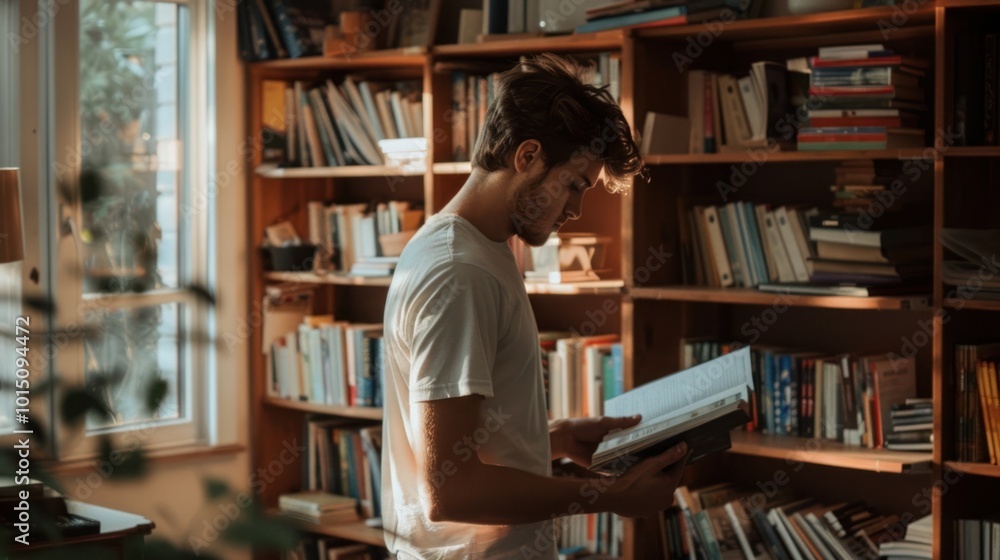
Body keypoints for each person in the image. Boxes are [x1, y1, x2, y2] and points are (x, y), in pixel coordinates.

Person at [381, 53, 688, 560]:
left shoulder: (475, 248)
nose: (575, 209)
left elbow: (460, 443)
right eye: (573, 184)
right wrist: (609, 496)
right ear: (526, 156)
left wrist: (558, 438)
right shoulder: (462, 272)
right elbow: (451, 489)